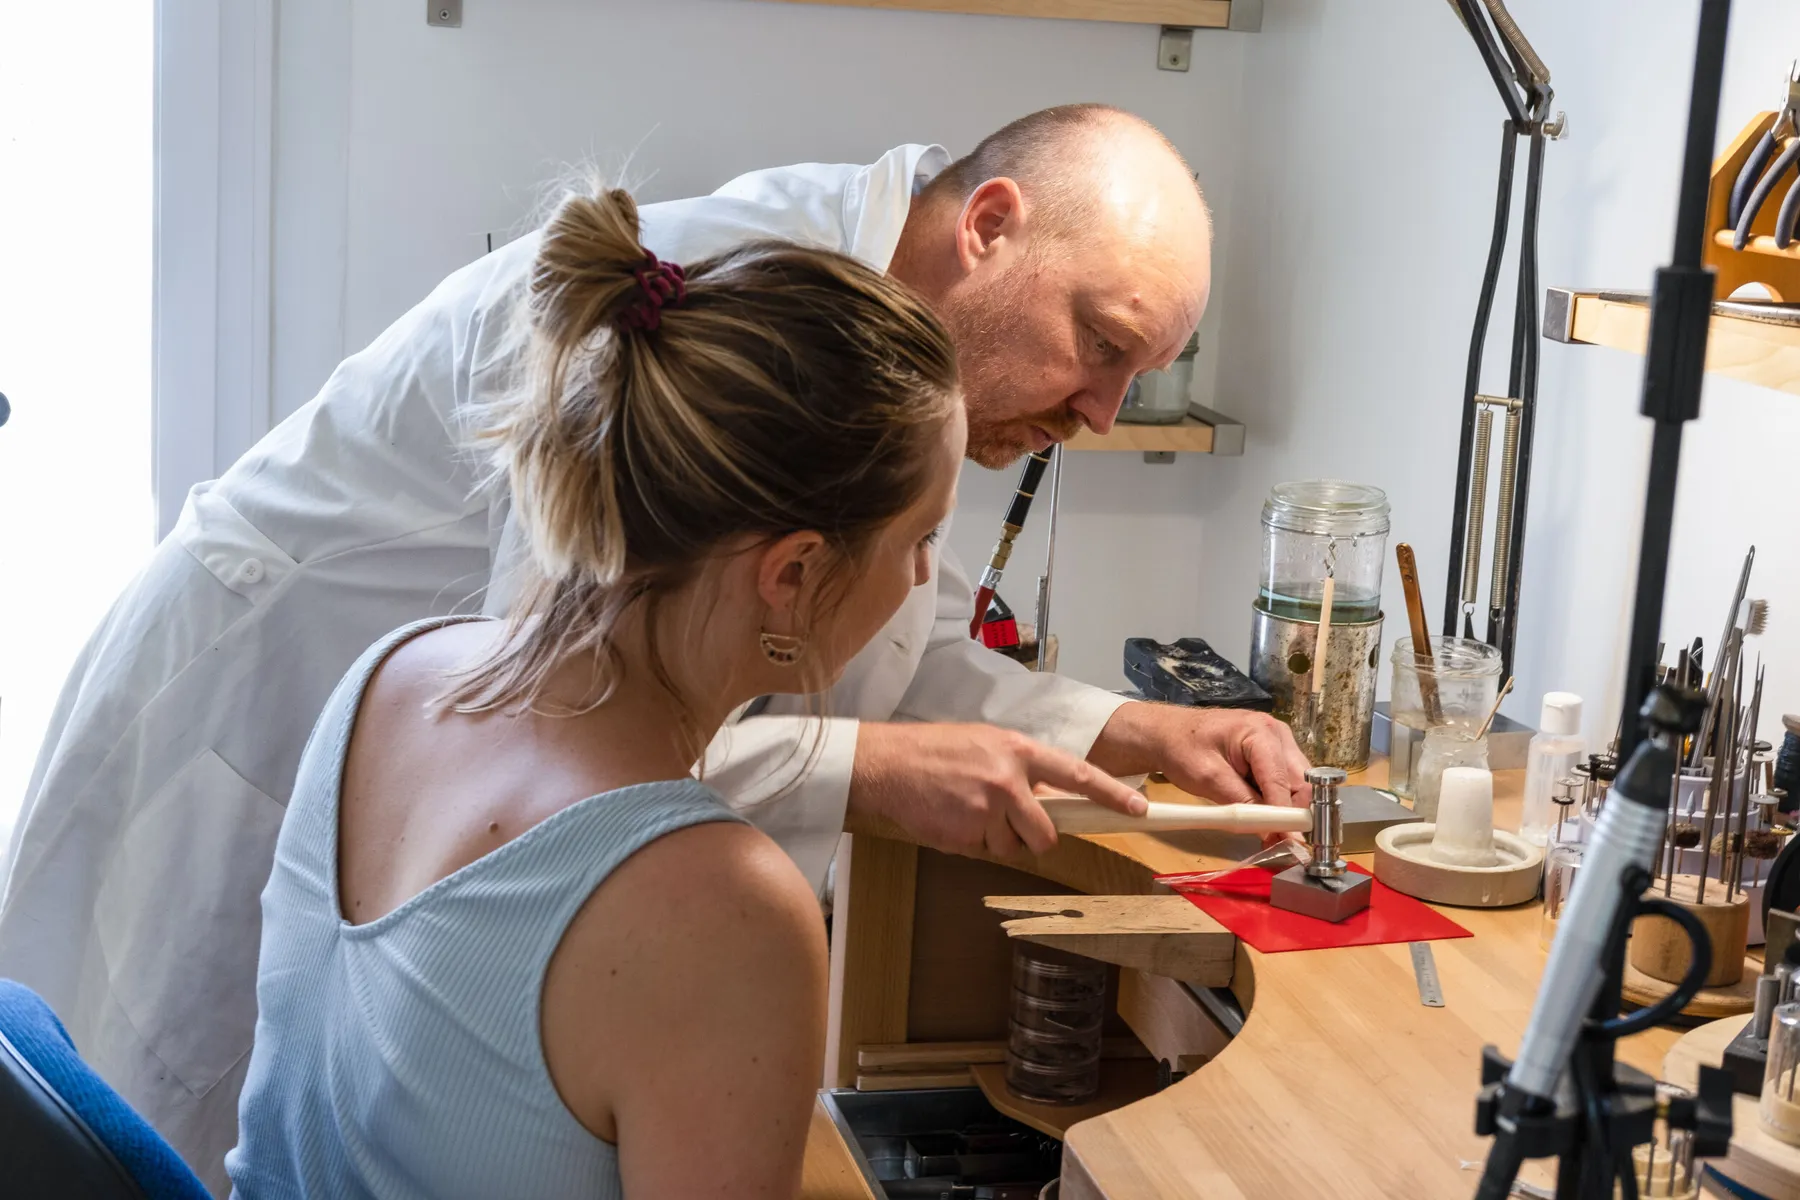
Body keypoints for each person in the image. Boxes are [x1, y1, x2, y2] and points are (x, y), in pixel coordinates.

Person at [0, 104, 1307, 1189]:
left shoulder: (863, 374)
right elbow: (587, 698)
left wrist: (1137, 728)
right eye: (1104, 344)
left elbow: (872, 657)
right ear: (991, 226)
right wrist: (869, 769)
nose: (1102, 407)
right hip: (249, 731)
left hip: (407, 779)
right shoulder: (743, 299)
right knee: (162, 1091)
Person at [225, 184, 1080, 1198]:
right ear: (793, 574)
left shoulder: (393, 673)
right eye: (922, 540)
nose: (921, 583)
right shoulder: (721, 910)